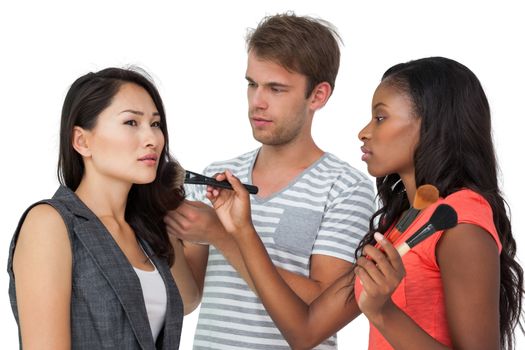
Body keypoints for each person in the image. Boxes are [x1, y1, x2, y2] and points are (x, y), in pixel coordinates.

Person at [206, 57, 524, 349]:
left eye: (381, 117)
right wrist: (241, 230)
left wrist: (383, 312)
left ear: (430, 125)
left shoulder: (460, 223)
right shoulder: (403, 223)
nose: (364, 132)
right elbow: (304, 331)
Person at [164, 13, 375, 349]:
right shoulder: (215, 174)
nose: (257, 102)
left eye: (276, 88)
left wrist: (221, 235)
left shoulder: (346, 189)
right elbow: (188, 300)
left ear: (317, 96)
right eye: (252, 84)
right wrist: (163, 225)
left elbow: (320, 308)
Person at [7, 67, 200, 349]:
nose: (153, 139)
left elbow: (186, 300)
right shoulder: (51, 224)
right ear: (82, 141)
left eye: (156, 124)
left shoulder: (146, 229)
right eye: (131, 122)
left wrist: (187, 220)